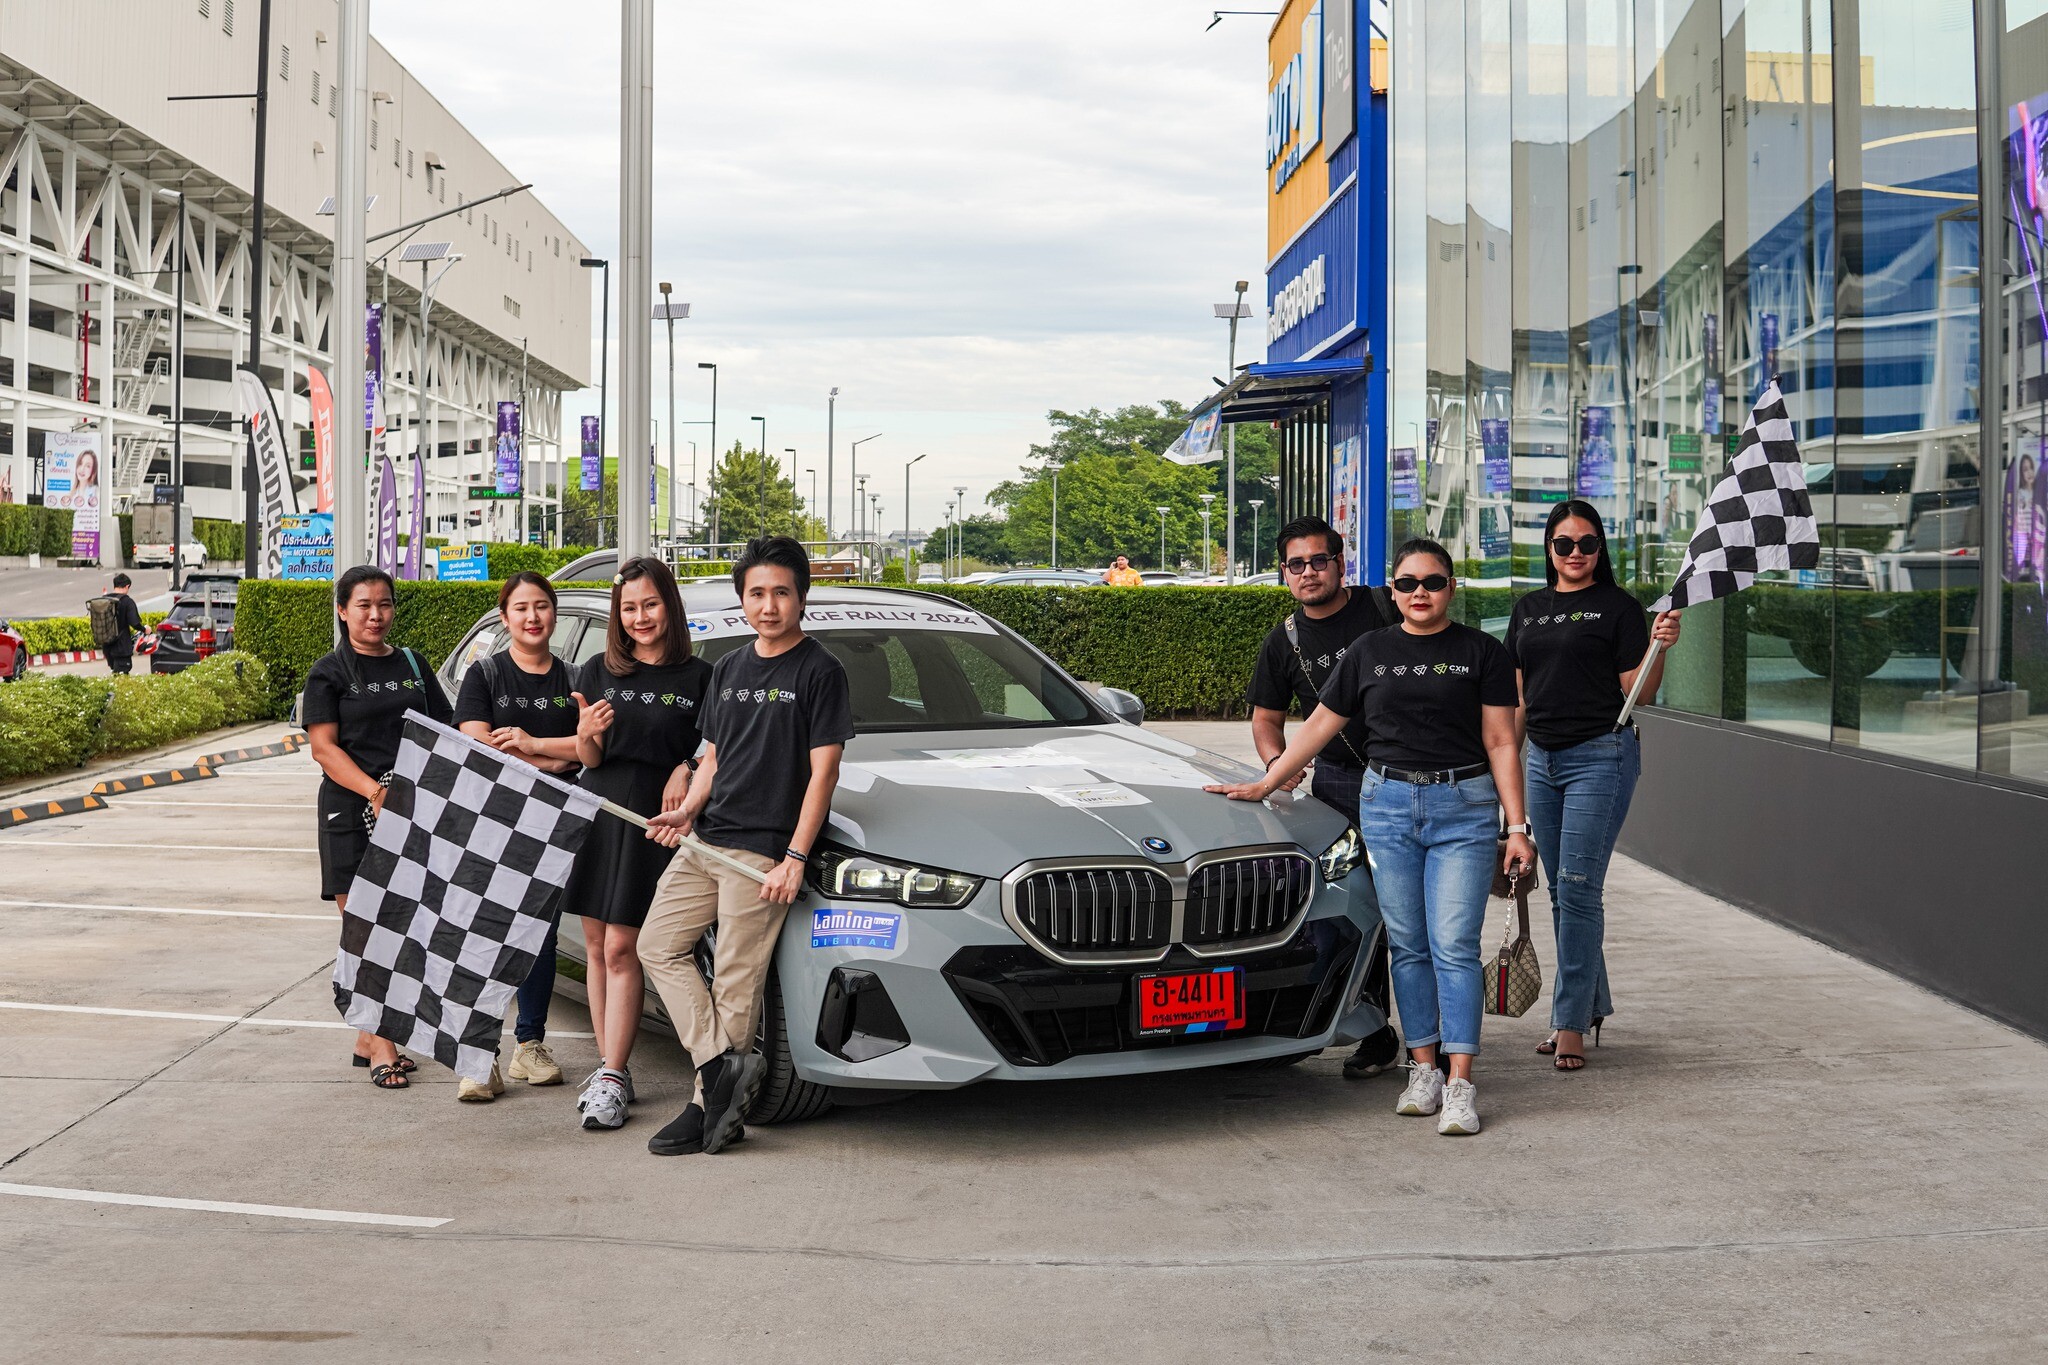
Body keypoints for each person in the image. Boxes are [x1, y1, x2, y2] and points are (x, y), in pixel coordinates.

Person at [1209, 538, 1533, 1137]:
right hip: (1386, 807)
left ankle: (1460, 1082)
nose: (1419, 594)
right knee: (1407, 944)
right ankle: (1423, 1068)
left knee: (1453, 944)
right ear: (1393, 591)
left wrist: (1517, 827)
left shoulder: (1482, 651)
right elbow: (1320, 725)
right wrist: (1267, 781)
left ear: (1451, 588)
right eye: (1407, 584)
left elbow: (1501, 742)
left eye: (1431, 583)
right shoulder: (1369, 651)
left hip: (1463, 808)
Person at [639, 536, 854, 1157]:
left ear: (801, 597)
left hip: (762, 852)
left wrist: (795, 857)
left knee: (735, 982)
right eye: (757, 593)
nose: (769, 605)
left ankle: (707, 1110)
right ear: (742, 599)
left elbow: (824, 774)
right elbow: (711, 758)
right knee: (657, 945)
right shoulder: (730, 667)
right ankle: (719, 1069)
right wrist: (686, 811)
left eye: (781, 592)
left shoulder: (820, 671)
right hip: (707, 839)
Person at [1507, 501, 1680, 1071]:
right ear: (1549, 549)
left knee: (1579, 888)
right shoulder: (1528, 610)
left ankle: (1570, 1022)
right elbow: (1518, 700)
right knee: (1562, 890)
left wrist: (1658, 649)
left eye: (1586, 543)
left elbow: (1641, 693)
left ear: (1599, 549)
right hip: (1542, 760)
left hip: (1600, 755)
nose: (1575, 553)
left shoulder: (1619, 608)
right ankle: (1591, 1002)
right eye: (1564, 543)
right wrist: (1505, 772)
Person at [1244, 516, 1399, 1077]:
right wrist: (1276, 765)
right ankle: (1374, 1030)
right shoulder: (1284, 640)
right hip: (1337, 787)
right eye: (1296, 564)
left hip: (1408, 777)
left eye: (1318, 560)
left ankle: (1436, 1039)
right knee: (1355, 908)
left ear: (1340, 563)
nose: (1308, 572)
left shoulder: (1386, 606)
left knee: (1414, 913)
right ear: (1284, 573)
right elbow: (1266, 720)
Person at [564, 556, 712, 1131]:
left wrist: (686, 766)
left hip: (656, 821)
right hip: (600, 812)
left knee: (624, 948)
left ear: (669, 605)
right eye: (629, 608)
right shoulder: (597, 671)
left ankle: (612, 1072)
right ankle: (611, 1070)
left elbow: (715, 751)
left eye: (650, 604)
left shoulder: (700, 678)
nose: (640, 617)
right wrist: (585, 735)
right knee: (597, 948)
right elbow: (590, 758)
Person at [303, 564, 453, 1089]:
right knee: (364, 927)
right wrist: (375, 792)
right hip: (349, 811)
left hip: (409, 810)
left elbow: (445, 730)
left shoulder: (413, 664)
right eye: (363, 605)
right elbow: (324, 749)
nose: (375, 615)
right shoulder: (329, 672)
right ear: (342, 611)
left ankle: (367, 1036)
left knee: (404, 924)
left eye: (384, 604)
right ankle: (383, 1043)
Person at [452, 572, 584, 1101]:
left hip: (553, 824)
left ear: (555, 613)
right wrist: (554, 758)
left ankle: (530, 1045)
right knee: (485, 933)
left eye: (542, 607)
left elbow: (589, 749)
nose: (533, 617)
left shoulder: (574, 677)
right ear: (505, 617)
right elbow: (479, 747)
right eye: (522, 608)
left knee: (539, 936)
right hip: (494, 821)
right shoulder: (485, 674)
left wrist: (529, 746)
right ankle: (479, 1056)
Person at [91, 573, 144, 675]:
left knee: (115, 674)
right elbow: (135, 623)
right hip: (122, 648)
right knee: (122, 677)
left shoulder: (104, 600)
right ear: (127, 586)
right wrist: (145, 629)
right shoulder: (127, 601)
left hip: (107, 646)